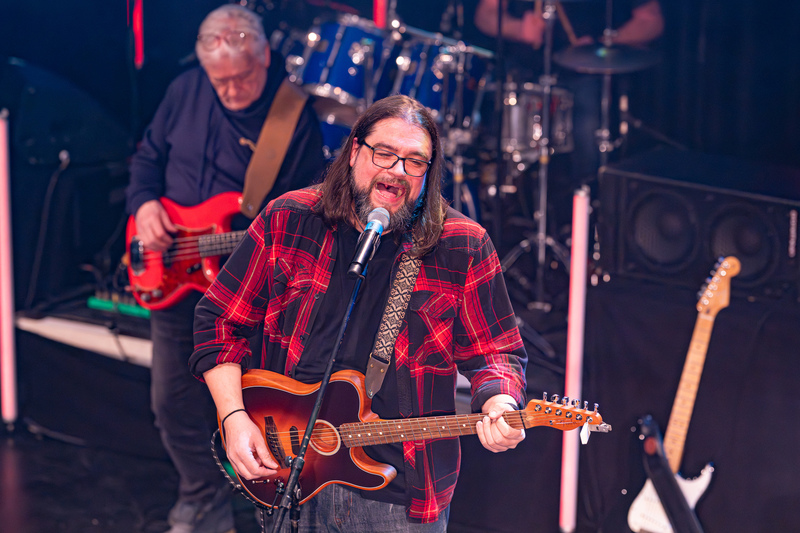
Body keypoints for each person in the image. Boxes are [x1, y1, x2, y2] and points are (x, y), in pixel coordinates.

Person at [190, 94, 528, 531]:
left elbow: (497, 354)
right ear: (354, 151)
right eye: (383, 153)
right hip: (289, 476)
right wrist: (233, 417)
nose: (397, 171)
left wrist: (500, 403)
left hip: (399, 497)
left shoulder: (461, 244)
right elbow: (218, 321)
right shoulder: (290, 218)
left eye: (415, 161)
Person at [126, 5, 326, 532]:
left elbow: (308, 212)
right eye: (221, 81)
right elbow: (147, 159)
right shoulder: (184, 90)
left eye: (243, 77)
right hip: (176, 280)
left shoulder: (291, 112)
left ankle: (268, 508)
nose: (233, 91)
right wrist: (144, 205)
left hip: (249, 290)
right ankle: (202, 497)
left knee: (257, 406)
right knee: (171, 404)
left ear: (265, 57)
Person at [474, 0, 664, 182]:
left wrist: (604, 43)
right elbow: (486, 14)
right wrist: (518, 29)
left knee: (589, 139)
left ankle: (589, 195)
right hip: (524, 72)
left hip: (586, 72)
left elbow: (651, 20)